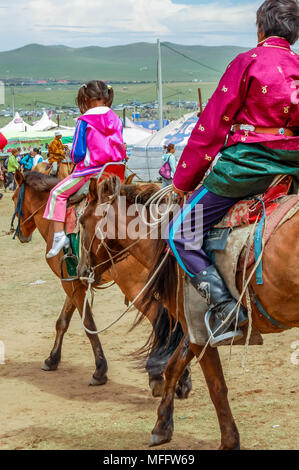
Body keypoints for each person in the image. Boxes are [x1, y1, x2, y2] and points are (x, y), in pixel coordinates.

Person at [167, 0, 299, 346]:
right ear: (295, 35)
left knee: (180, 234)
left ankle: (226, 307)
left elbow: (211, 127)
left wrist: (183, 180)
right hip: (293, 167)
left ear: (260, 29)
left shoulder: (247, 62)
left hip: (247, 168)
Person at [44, 80, 126, 258]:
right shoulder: (116, 119)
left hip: (91, 172)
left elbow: (77, 153)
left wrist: (74, 157)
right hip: (115, 171)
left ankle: (59, 236)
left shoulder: (84, 120)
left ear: (86, 98)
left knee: (57, 193)